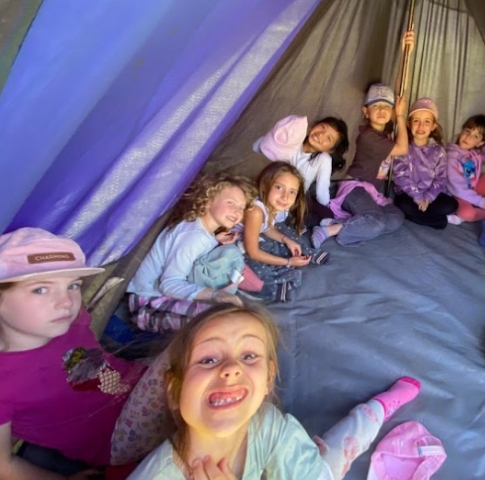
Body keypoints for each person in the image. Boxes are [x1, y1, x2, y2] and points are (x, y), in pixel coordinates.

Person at [128, 304, 421, 479]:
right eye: (208, 360)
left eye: (248, 356)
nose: (231, 369)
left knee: (337, 454)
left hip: (288, 456)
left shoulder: (267, 424)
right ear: (174, 390)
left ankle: (375, 410)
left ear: (268, 380)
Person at [0, 228, 170, 479]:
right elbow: (3, 465)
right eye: (40, 289)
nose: (66, 301)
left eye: (73, 285)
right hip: (118, 439)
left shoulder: (70, 320)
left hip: (140, 385)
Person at [311, 31, 414, 248]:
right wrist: (401, 115)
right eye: (376, 106)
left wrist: (407, 52)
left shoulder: (387, 132)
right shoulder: (368, 136)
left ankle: (347, 222)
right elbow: (402, 149)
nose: (382, 110)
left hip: (372, 193)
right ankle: (329, 230)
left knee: (396, 218)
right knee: (376, 222)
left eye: (386, 107)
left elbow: (399, 96)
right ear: (366, 111)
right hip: (354, 189)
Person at [127, 172, 257, 332]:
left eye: (241, 208)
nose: (237, 212)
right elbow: (169, 285)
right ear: (208, 201)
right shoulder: (194, 236)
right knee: (217, 320)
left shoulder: (201, 230)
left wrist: (215, 240)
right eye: (230, 202)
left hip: (157, 297)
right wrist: (215, 295)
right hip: (147, 304)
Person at [242, 162, 329, 303]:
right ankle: (272, 286)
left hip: (256, 234)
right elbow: (253, 252)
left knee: (285, 234)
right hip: (235, 243)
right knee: (250, 264)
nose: (285, 197)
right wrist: (287, 262)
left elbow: (267, 227)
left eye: (292, 192)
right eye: (279, 187)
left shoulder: (275, 207)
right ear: (265, 185)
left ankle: (306, 252)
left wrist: (286, 240)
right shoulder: (256, 211)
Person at [391, 97, 458, 229]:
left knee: (451, 205)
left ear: (433, 126)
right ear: (409, 124)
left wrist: (428, 197)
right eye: (416, 121)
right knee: (401, 204)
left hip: (429, 196)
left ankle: (415, 215)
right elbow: (400, 177)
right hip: (409, 195)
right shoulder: (403, 148)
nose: (421, 126)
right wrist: (417, 196)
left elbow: (440, 179)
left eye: (427, 121)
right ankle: (438, 221)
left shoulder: (438, 151)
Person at [254, 115, 350, 207]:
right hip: (266, 189)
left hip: (286, 202)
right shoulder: (295, 138)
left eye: (328, 138)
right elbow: (256, 147)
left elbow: (322, 193)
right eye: (322, 127)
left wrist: (330, 210)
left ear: (330, 150)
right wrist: (277, 134)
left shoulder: (324, 160)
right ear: (314, 125)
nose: (321, 134)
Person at [445, 113, 485, 236]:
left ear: (480, 143)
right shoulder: (451, 155)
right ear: (461, 131)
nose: (468, 137)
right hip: (457, 195)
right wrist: (480, 201)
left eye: (475, 136)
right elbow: (456, 186)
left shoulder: (478, 153)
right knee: (467, 214)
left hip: (475, 190)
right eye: (467, 131)